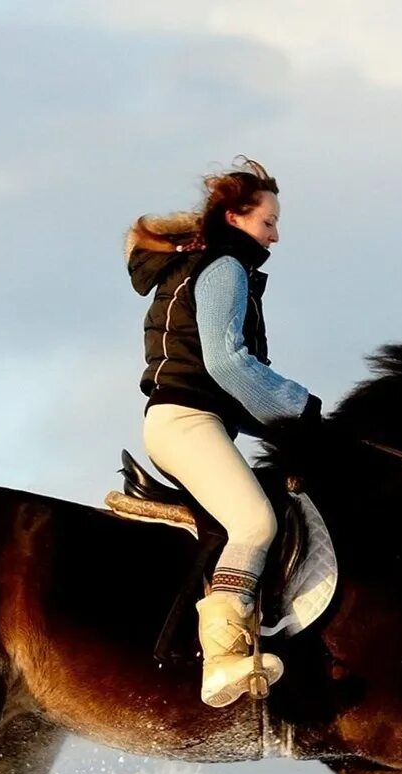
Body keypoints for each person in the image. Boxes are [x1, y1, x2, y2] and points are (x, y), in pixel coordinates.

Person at [125, 157, 323, 708]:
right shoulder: (223, 267)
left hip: (190, 420)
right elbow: (227, 363)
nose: (276, 235)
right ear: (235, 217)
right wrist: (298, 408)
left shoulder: (208, 263)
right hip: (186, 421)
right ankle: (223, 658)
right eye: (268, 221)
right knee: (255, 522)